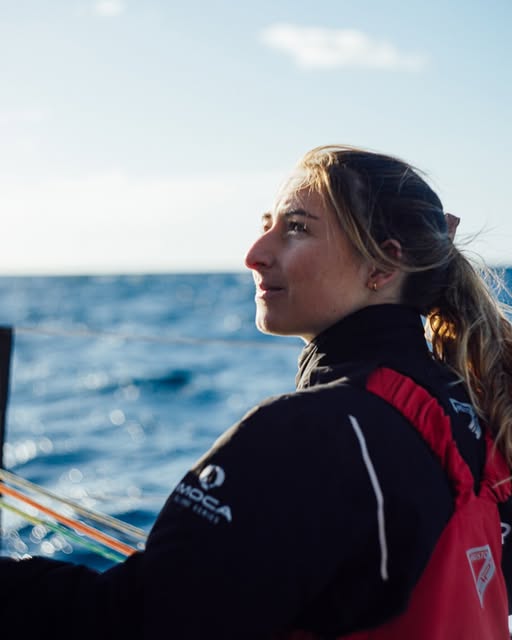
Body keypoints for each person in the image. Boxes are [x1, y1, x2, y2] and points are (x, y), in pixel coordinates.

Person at [1, 144, 512, 639]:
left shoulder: (315, 434)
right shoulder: (473, 408)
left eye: (296, 229)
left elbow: (135, 623)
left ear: (381, 266)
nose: (254, 254)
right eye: (266, 227)